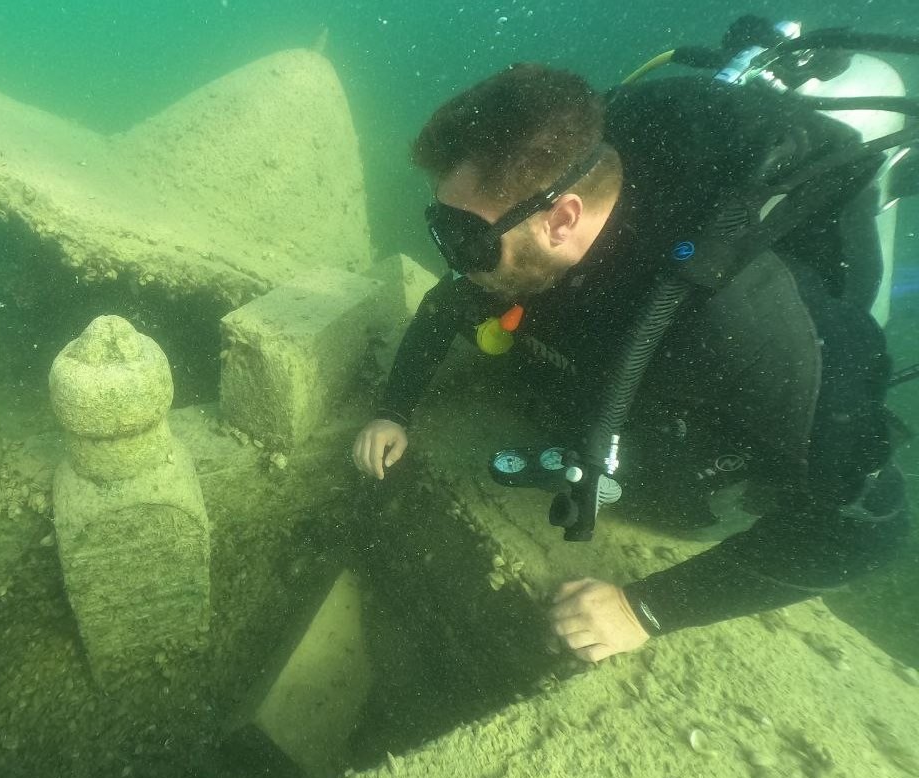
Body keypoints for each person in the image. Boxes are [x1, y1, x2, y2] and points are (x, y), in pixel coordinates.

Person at [353, 62, 911, 664]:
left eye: (467, 236)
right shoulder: (520, 242)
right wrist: (394, 409)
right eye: (443, 226)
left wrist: (643, 610)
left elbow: (866, 531)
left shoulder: (743, 321)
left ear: (563, 218)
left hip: (705, 471)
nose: (456, 259)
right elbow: (447, 304)